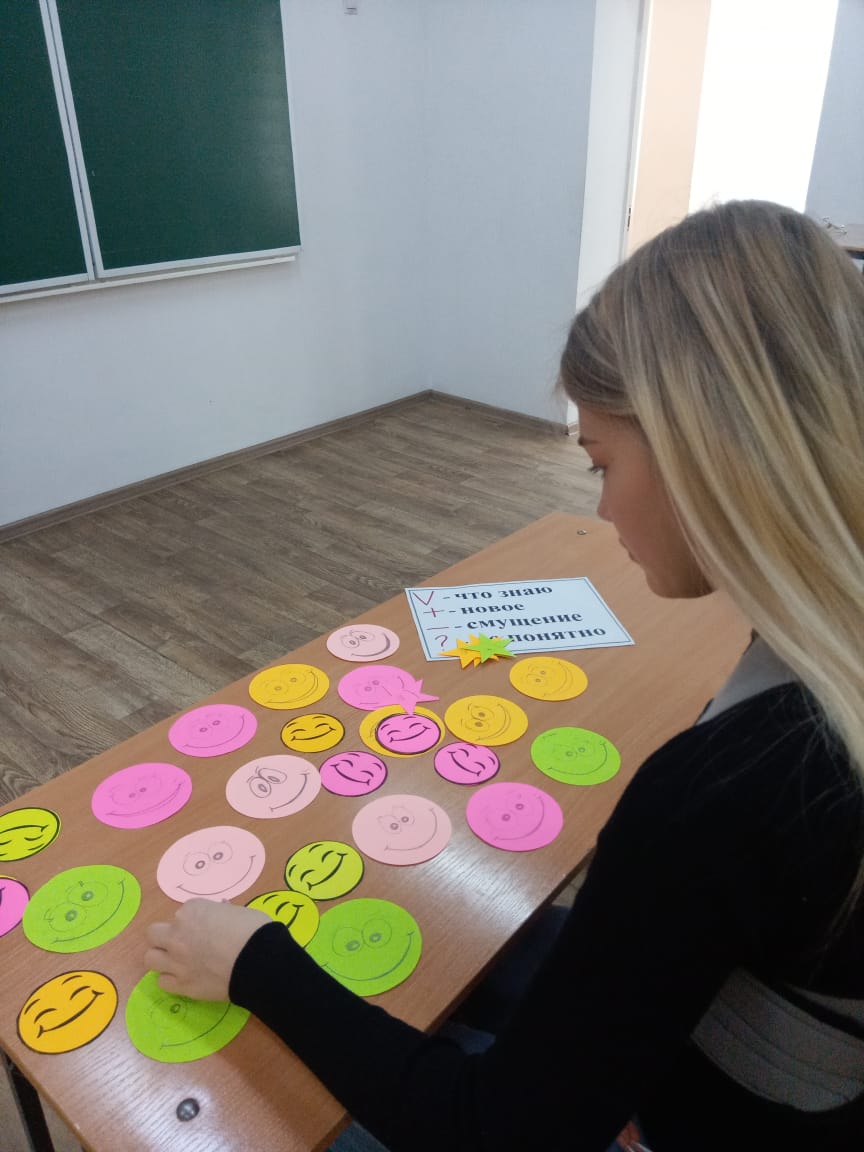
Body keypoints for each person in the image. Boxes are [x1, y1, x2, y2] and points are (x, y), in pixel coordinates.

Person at [144, 200, 864, 1151]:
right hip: (759, 1049)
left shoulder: (718, 797)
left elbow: (494, 1133)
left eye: (600, 464)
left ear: (706, 457)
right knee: (481, 941)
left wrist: (255, 966)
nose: (602, 511)